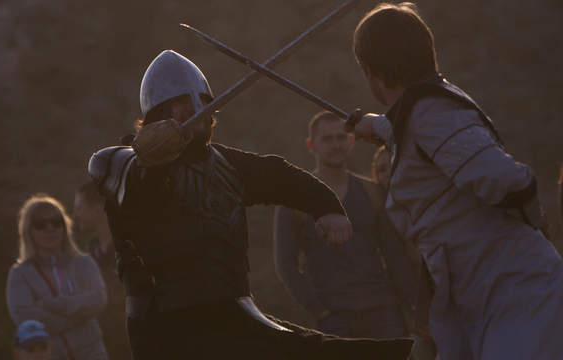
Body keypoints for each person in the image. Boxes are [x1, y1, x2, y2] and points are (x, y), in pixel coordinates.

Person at [88, 50, 413, 359]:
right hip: (166, 328)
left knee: (341, 354)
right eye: (179, 102)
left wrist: (327, 206)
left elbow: (281, 176)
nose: (193, 108)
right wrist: (154, 158)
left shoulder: (229, 165)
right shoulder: (117, 162)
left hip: (235, 314)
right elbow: (139, 187)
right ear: (157, 114)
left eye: (200, 101)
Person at [351, 3, 563, 360]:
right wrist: (373, 124)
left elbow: (510, 181)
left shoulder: (432, 113)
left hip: (517, 292)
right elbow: (414, 132)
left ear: (371, 73)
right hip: (481, 296)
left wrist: (531, 219)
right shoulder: (421, 113)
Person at [274, 110, 415, 340]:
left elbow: (394, 255)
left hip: (384, 310)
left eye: (341, 138)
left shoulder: (373, 192)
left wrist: (414, 302)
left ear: (351, 142)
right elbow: (285, 264)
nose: (336, 144)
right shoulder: (294, 201)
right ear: (311, 145)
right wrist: (319, 310)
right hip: (334, 317)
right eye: (327, 139)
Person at [6, 194, 109, 360]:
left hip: (93, 353)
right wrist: (76, 316)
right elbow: (24, 315)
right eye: (41, 224)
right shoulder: (20, 273)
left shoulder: (84, 263)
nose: (50, 228)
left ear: (65, 226)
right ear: (28, 230)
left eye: (56, 222)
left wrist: (48, 304)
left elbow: (97, 300)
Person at [73, 181, 131, 360]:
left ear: (98, 208)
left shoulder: (132, 252)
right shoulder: (84, 261)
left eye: (79, 208)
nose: (74, 216)